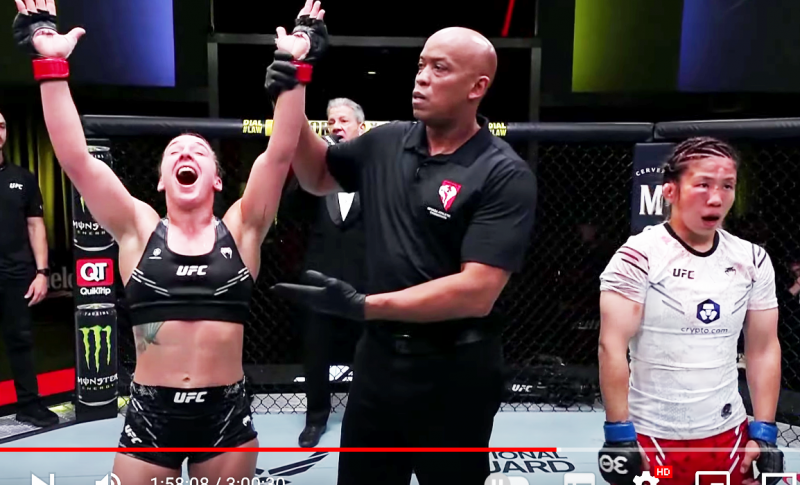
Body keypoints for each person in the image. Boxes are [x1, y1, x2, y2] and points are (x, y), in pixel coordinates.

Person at [12, 0, 322, 481]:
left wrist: (296, 66)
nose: (185, 151)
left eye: (199, 149)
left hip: (225, 417)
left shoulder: (242, 227)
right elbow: (76, 160)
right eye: (174, 150)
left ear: (216, 179)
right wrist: (51, 65)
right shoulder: (137, 228)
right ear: (160, 181)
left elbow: (280, 153)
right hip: (151, 417)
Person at [266, 5, 538, 484]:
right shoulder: (387, 141)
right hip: (379, 362)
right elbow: (315, 174)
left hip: (456, 370)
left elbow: (477, 291)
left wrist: (365, 306)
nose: (421, 78)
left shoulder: (502, 172)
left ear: (477, 87)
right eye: (420, 65)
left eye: (440, 68)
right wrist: (294, 80)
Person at [596, 137, 784, 485]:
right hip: (652, 439)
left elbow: (763, 348)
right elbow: (612, 347)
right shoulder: (638, 257)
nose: (716, 198)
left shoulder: (753, 260)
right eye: (703, 185)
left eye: (727, 186)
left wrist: (764, 432)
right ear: (670, 191)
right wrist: (619, 434)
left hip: (727, 436)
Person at [296, 98, 368, 448]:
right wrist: (314, 163)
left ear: (360, 128)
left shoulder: (375, 171)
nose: (336, 127)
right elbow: (291, 209)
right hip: (320, 280)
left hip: (365, 281)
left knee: (369, 353)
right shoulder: (317, 174)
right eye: (330, 122)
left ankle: (366, 418)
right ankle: (316, 419)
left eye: (343, 121)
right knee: (316, 353)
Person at [0, 110, 57, 428]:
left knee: (21, 340)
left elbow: (36, 226)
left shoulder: (22, 178)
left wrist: (42, 272)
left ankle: (29, 406)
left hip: (15, 273)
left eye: (1, 125)